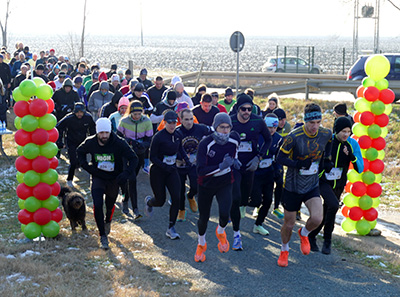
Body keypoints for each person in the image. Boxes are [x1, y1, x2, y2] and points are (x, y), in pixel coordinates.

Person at [276, 103, 332, 267]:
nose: (315, 126)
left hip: (312, 184)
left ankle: (304, 233)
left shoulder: (325, 133)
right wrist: (297, 164)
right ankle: (284, 249)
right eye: (311, 123)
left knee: (317, 218)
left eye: (318, 122)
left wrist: (326, 160)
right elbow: (279, 158)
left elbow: (329, 142)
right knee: (289, 223)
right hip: (292, 187)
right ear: (305, 121)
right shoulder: (294, 137)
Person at [77, 118, 138, 249]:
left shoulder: (119, 143)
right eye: (101, 133)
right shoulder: (91, 142)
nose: (104, 136)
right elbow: (79, 152)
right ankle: (102, 235)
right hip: (98, 177)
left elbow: (134, 159)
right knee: (98, 204)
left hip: (114, 179)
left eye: (106, 133)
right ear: (97, 132)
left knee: (109, 206)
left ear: (110, 132)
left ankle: (108, 221)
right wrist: (87, 167)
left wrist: (125, 174)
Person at [308, 117, 363, 254]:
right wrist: (321, 171)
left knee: (328, 210)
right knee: (333, 205)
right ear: (336, 130)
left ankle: (313, 236)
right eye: (343, 131)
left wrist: (351, 156)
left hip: (338, 183)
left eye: (348, 131)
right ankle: (327, 239)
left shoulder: (352, 144)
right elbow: (314, 159)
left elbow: (360, 168)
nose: (346, 134)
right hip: (323, 181)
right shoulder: (327, 140)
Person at [194, 113, 240, 262]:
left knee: (225, 213)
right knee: (204, 218)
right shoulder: (205, 144)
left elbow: (234, 154)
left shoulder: (234, 139)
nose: (225, 131)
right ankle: (201, 243)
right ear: (215, 127)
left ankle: (221, 231)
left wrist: (235, 161)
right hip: (206, 184)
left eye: (228, 127)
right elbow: (200, 171)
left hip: (225, 182)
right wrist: (220, 167)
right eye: (222, 127)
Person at [230, 93, 271, 250]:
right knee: (236, 196)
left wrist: (258, 158)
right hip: (235, 164)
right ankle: (236, 233)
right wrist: (230, 157)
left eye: (249, 109)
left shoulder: (258, 121)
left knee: (248, 199)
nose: (247, 112)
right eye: (243, 109)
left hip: (251, 163)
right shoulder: (231, 119)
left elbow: (268, 140)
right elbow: (221, 136)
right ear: (238, 109)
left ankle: (238, 209)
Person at [144, 111, 191, 240]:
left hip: (172, 171)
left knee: (177, 197)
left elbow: (180, 149)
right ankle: (149, 202)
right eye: (169, 123)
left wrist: (187, 161)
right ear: (164, 122)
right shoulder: (158, 137)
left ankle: (171, 228)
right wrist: (164, 166)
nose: (172, 125)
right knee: (160, 201)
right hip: (158, 172)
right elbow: (152, 157)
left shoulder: (177, 134)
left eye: (174, 122)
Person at [117, 100, 153, 218]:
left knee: (132, 177)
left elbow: (149, 139)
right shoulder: (124, 121)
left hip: (139, 153)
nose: (137, 116)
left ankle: (125, 198)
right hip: (126, 153)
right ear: (130, 113)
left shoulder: (147, 121)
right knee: (132, 178)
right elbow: (118, 137)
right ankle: (135, 209)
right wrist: (128, 141)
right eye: (134, 114)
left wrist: (143, 145)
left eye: (139, 114)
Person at [175, 109, 211, 221]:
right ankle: (181, 210)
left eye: (191, 119)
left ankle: (190, 196)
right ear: (180, 120)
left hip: (194, 164)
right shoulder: (176, 131)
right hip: (180, 164)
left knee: (196, 187)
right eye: (186, 119)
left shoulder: (200, 128)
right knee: (179, 189)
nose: (189, 122)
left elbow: (214, 134)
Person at [250, 114, 283, 235]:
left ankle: (258, 225)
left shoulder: (279, 138)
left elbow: (278, 157)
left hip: (268, 172)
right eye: (269, 127)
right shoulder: (257, 136)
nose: (272, 130)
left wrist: (278, 170)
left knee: (268, 200)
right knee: (256, 201)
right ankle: (240, 203)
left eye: (274, 127)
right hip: (255, 173)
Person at [56, 102, 96, 187]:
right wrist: (60, 141)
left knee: (83, 161)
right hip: (71, 141)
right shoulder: (69, 118)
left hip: (83, 141)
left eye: (81, 112)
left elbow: (93, 129)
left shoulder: (88, 117)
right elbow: (59, 127)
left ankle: (89, 179)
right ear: (74, 112)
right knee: (73, 162)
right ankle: (69, 179)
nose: (79, 114)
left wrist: (92, 140)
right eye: (77, 112)